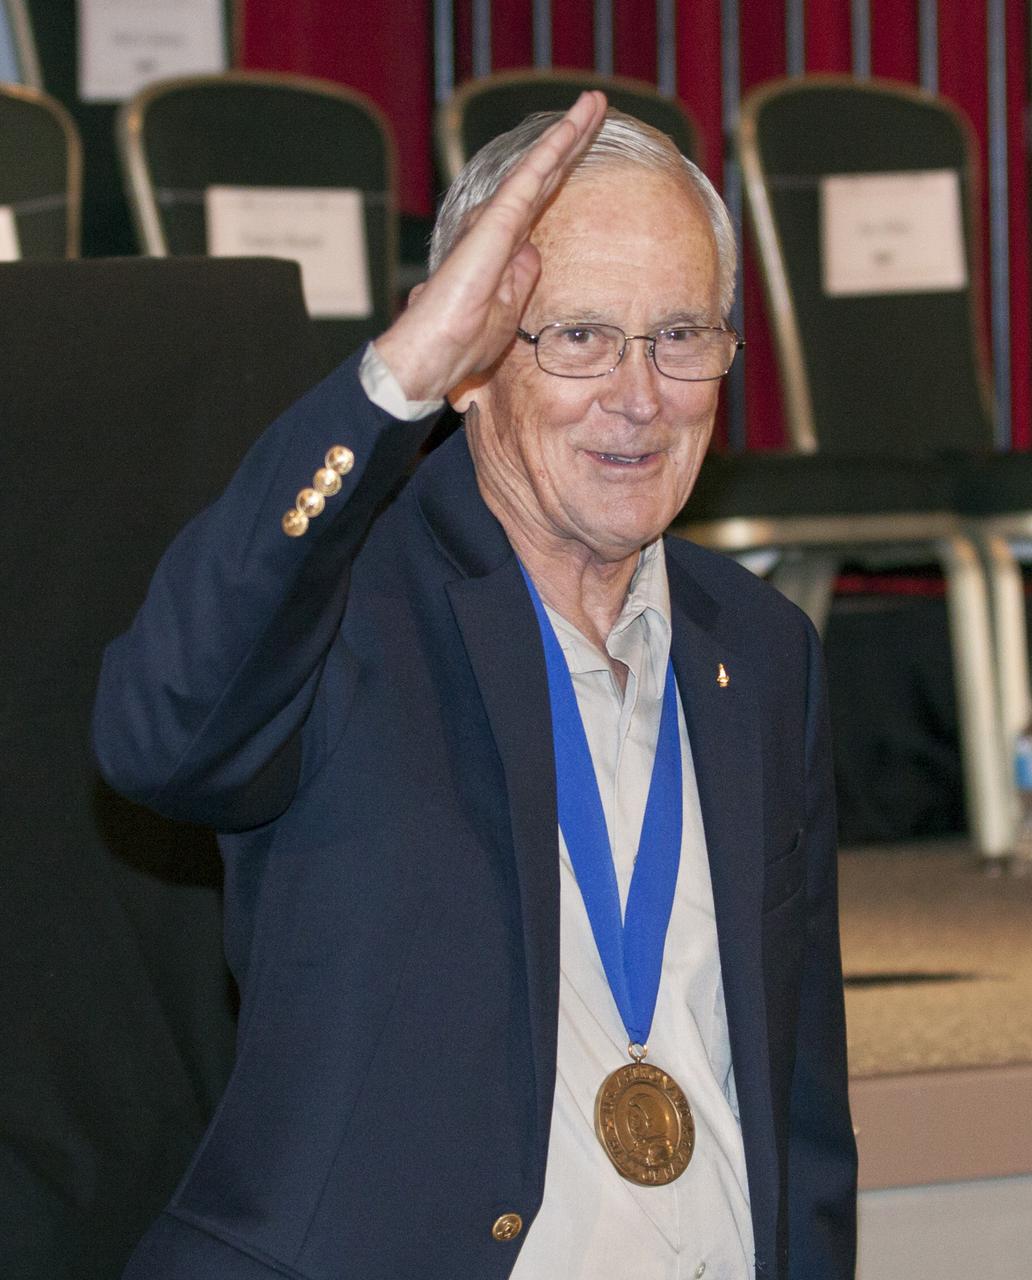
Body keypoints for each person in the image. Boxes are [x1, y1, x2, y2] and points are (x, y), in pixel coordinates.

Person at [94, 93, 857, 1280]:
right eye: (580, 336)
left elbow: (798, 1097)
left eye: (680, 334)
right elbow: (161, 732)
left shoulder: (760, 648)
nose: (640, 394)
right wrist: (393, 376)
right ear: (474, 362)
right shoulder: (341, 601)